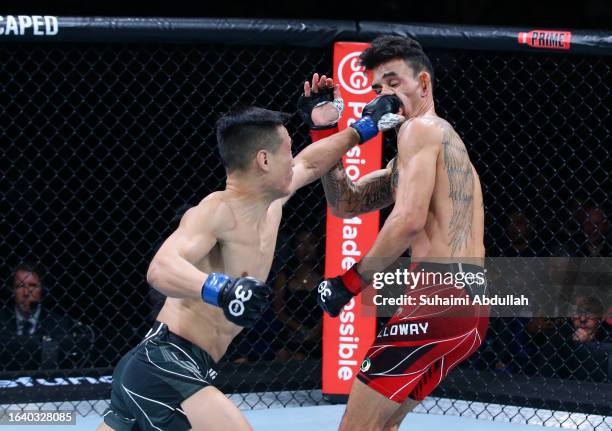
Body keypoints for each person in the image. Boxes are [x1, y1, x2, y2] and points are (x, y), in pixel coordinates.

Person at [98, 73, 404, 431]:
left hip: (175, 366)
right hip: (166, 362)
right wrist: (221, 289)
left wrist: (362, 127)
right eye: (287, 149)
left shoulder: (271, 203)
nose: (293, 159)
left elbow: (310, 163)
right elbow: (161, 268)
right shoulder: (217, 210)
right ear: (263, 160)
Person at [313, 36, 489, 430]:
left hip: (439, 298)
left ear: (423, 85)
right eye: (378, 88)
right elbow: (346, 202)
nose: (385, 96)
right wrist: (326, 133)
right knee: (383, 426)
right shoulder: (420, 150)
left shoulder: (420, 130)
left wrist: (349, 282)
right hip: (469, 308)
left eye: (394, 83)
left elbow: (407, 221)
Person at [0, 263, 93, 371]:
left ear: (42, 289)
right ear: (12, 290)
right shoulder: (2, 321)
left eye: (33, 286)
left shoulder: (59, 324)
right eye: (20, 286)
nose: (26, 293)